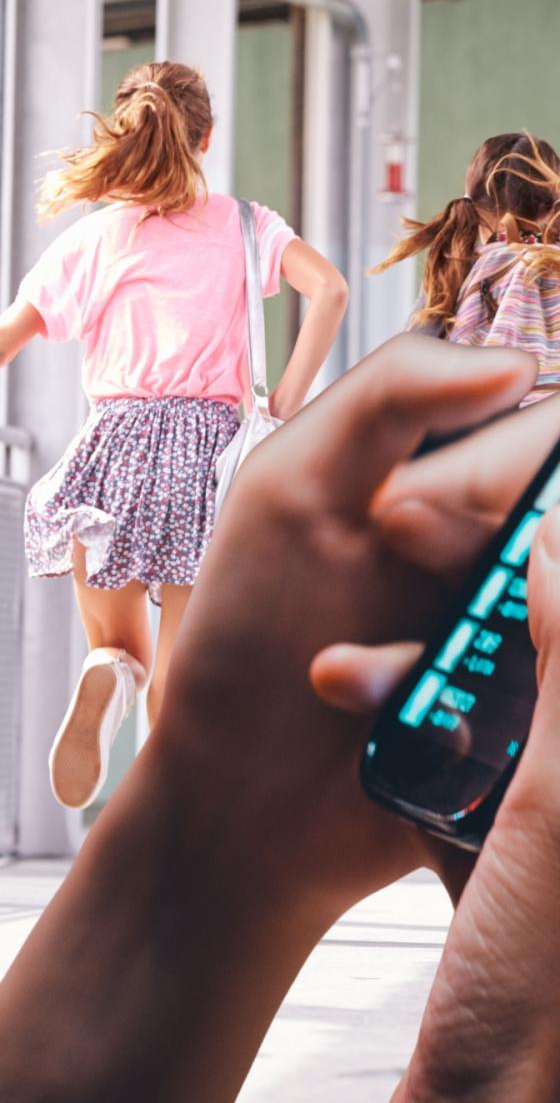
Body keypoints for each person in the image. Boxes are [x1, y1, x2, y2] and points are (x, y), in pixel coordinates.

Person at [0, 335, 560, 1099]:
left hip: (127, 448)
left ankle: (114, 657)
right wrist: (542, 1073)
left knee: (141, 629)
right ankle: (134, 679)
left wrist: (219, 841)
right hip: (208, 445)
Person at [0, 60, 347, 810]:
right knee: (182, 682)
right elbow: (331, 290)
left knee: (119, 647)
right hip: (211, 463)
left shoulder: (96, 240)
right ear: (208, 138)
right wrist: (282, 404)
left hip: (112, 454)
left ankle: (107, 675)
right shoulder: (246, 225)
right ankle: (163, 837)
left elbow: (9, 337)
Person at [373, 131, 560, 401]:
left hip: (490, 433)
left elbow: (406, 362)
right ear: (556, 204)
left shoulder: (457, 270)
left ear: (473, 203)